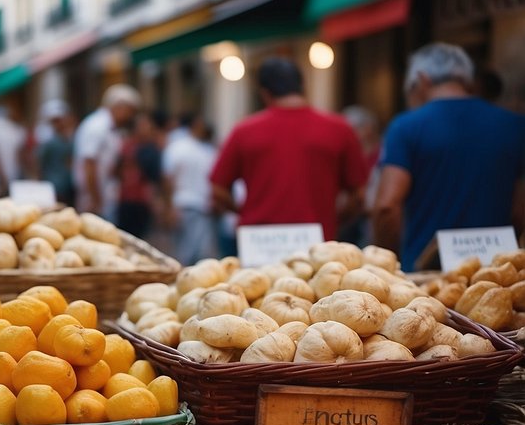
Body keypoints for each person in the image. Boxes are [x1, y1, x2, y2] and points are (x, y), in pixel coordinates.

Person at [373, 44, 525, 269]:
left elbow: (387, 206)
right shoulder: (515, 125)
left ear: (422, 80)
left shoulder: (406, 127)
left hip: (425, 273)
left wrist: (389, 261)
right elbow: (520, 209)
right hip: (495, 272)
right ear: (467, 81)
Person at [210, 58, 368, 240]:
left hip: (258, 239)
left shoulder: (244, 131)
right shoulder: (340, 128)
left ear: (265, 93)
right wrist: (334, 218)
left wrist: (244, 211)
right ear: (303, 87)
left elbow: (218, 190)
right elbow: (359, 196)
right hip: (317, 239)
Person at [74, 84, 142, 219]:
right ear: (119, 107)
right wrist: (95, 199)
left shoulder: (109, 127)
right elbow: (88, 164)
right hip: (94, 200)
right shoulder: (97, 126)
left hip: (104, 197)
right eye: (130, 111)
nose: (131, 116)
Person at [162, 112, 217, 264]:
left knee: (196, 253)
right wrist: (169, 206)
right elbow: (168, 178)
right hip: (184, 205)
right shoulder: (179, 147)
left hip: (199, 206)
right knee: (187, 254)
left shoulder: (205, 150)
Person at [115, 112, 163, 239]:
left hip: (142, 201)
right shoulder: (128, 146)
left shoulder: (151, 148)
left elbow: (155, 178)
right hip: (126, 199)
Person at [339, 105, 380, 246]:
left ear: (368, 128)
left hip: (372, 225)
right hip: (348, 222)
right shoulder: (347, 156)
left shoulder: (384, 156)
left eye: (352, 129)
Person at [36, 99, 76, 204]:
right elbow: (39, 164)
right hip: (54, 188)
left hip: (68, 186)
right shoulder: (47, 141)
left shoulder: (69, 138)